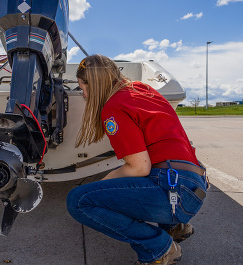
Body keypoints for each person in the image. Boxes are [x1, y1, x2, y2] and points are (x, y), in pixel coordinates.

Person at [66, 55, 208, 265]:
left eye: (83, 88)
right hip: (193, 185)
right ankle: (174, 227)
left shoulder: (114, 106)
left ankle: (159, 247)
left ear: (95, 86)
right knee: (141, 181)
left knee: (79, 201)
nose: (84, 95)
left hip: (175, 193)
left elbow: (139, 167)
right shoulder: (142, 89)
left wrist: (103, 188)